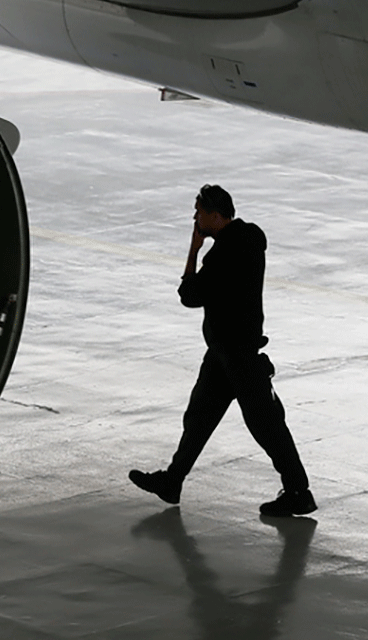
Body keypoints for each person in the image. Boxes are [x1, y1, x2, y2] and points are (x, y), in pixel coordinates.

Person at [129, 184, 316, 517]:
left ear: (215, 216)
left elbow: (189, 295)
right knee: (199, 418)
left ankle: (299, 492)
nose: (195, 217)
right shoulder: (250, 238)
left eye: (199, 211)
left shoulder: (222, 255)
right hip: (223, 356)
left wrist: (193, 250)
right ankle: (173, 481)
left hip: (239, 357)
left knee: (267, 425)